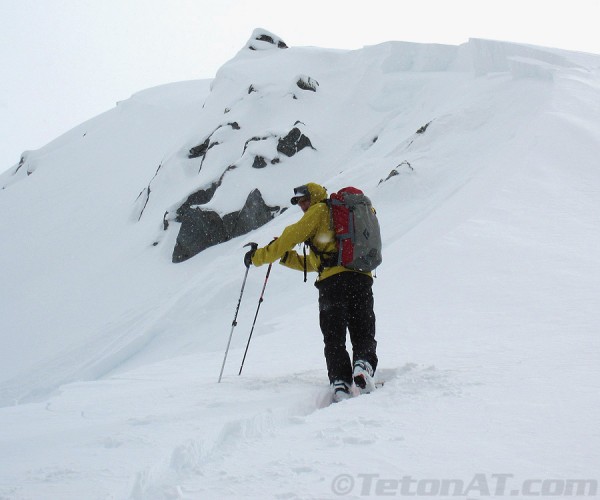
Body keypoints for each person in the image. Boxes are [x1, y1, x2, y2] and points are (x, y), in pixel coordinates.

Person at [244, 182, 377, 402]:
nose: (302, 205)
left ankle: (340, 382)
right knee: (363, 328)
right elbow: (319, 262)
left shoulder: (318, 211)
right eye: (299, 202)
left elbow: (289, 237)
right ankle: (363, 366)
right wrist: (287, 259)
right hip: (361, 278)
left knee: (334, 336)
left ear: (313, 197)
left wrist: (258, 257)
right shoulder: (342, 218)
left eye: (304, 200)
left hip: (333, 285)